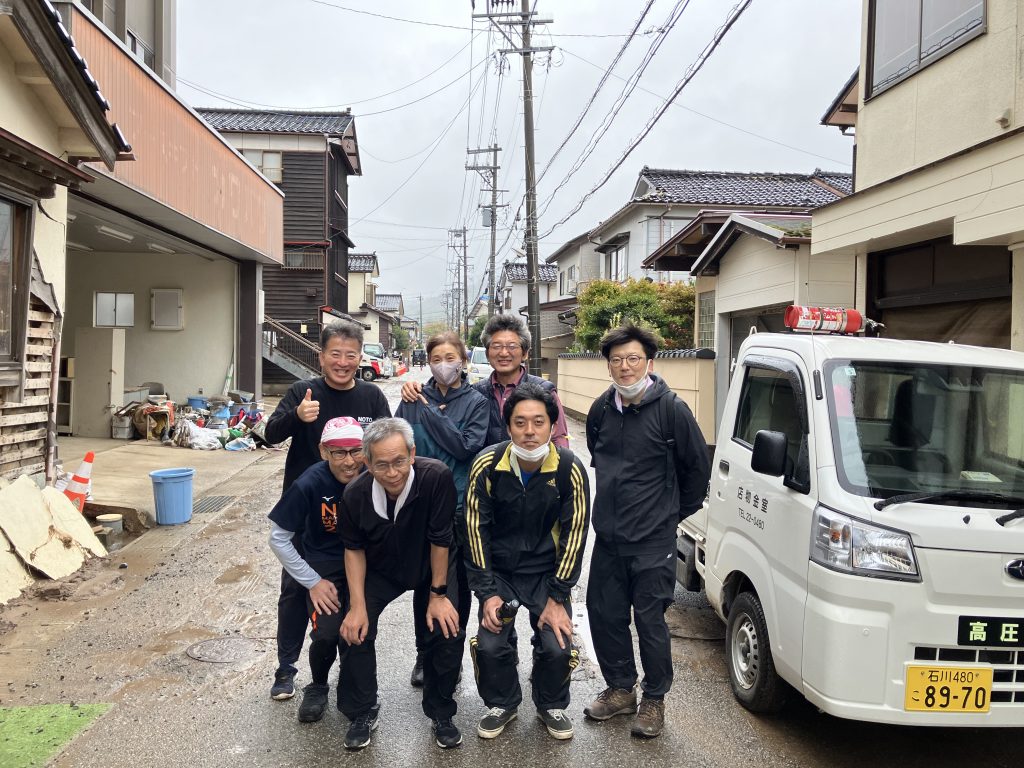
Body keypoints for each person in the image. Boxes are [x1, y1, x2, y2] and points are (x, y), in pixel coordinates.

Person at [583, 323, 710, 739]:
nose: (625, 367)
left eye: (633, 358)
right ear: (608, 366)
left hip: (653, 540)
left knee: (650, 619)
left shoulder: (672, 410)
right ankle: (622, 690)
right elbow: (602, 465)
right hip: (609, 537)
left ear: (649, 362)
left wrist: (668, 515)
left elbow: (697, 473)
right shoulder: (602, 409)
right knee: (604, 614)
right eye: (617, 360)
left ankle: (654, 698)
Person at [264, 320, 391, 701]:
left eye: (351, 354)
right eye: (335, 354)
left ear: (360, 358)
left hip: (358, 513)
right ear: (321, 357)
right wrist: (295, 417)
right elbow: (269, 434)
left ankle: (350, 671)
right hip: (306, 510)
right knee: (294, 593)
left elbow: (389, 441)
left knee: (354, 593)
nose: (343, 361)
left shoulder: (371, 396)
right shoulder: (302, 391)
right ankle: (286, 669)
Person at [463, 383, 590, 741]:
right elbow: (475, 530)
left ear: (553, 425)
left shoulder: (569, 469)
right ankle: (502, 702)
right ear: (508, 426)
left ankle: (550, 703)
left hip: (547, 574)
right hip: (500, 573)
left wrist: (557, 597)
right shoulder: (487, 465)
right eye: (520, 422)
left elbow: (574, 536)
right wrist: (486, 592)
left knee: (556, 644)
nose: (529, 431)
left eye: (538, 421)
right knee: (489, 644)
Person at [338, 418, 465, 750]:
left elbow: (441, 539)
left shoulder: (436, 477)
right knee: (353, 629)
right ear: (367, 462)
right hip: (382, 567)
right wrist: (356, 606)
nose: (392, 472)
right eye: (381, 464)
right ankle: (362, 710)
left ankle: (441, 711)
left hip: (431, 563)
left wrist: (438, 594)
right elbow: (353, 551)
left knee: (447, 628)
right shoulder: (354, 495)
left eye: (399, 461)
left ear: (412, 453)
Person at [396, 332, 489, 687]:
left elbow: (466, 448)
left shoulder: (477, 402)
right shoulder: (411, 397)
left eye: (450, 357)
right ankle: (424, 652)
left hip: (460, 506)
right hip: (418, 504)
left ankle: (451, 653)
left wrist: (431, 412)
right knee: (426, 584)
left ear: (462, 361)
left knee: (457, 585)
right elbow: (396, 443)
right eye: (436, 358)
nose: (443, 364)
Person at [267, 417, 364, 723]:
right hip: (324, 567)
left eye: (355, 451)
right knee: (327, 632)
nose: (349, 462)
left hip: (365, 563)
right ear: (324, 452)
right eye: (339, 453)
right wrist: (311, 581)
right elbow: (278, 536)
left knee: (359, 630)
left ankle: (356, 687)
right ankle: (318, 685)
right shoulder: (310, 483)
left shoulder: (375, 477)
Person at [401, 314, 569, 449]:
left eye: (511, 346)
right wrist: (419, 388)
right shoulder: (476, 393)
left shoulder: (543, 391)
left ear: (525, 353)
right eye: (496, 346)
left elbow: (559, 438)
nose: (503, 353)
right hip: (487, 483)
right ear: (488, 354)